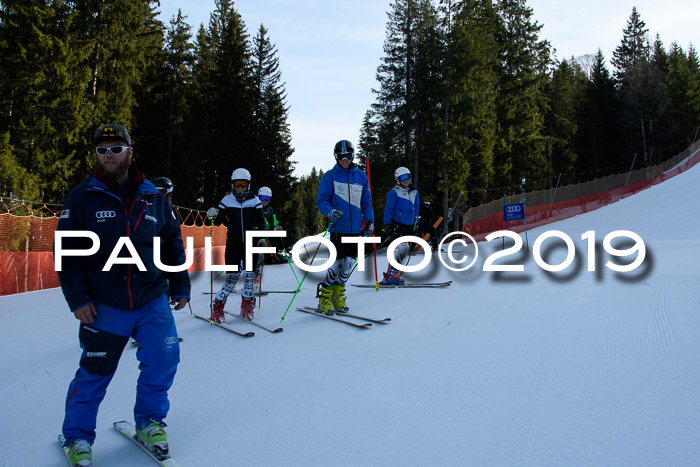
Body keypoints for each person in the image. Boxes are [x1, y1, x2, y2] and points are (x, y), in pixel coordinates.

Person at [56, 124, 191, 465]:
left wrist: (180, 286)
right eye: (102, 149)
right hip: (105, 304)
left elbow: (172, 244)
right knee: (95, 372)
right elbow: (67, 252)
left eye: (116, 148)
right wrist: (78, 298)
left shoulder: (154, 197)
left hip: (152, 300)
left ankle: (150, 423)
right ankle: (77, 438)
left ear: (130, 152)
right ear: (96, 156)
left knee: (163, 361)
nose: (109, 155)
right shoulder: (82, 196)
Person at [316, 140, 374, 314]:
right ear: (335, 157)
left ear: (353, 156)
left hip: (355, 229)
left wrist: (369, 221)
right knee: (338, 264)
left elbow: (366, 203)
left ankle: (338, 295)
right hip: (337, 228)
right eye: (341, 156)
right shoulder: (329, 176)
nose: (345, 159)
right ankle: (324, 298)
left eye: (348, 156)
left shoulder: (361, 177)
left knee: (349, 264)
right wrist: (330, 211)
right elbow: (322, 201)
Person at [206, 168, 265, 322]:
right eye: (237, 184)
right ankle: (218, 306)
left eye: (243, 184)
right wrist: (212, 214)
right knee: (232, 277)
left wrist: (262, 238)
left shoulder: (254, 201)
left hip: (250, 242)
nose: (240, 187)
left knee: (249, 276)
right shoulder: (227, 200)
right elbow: (217, 221)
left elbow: (261, 223)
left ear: (248, 184)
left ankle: (246, 305)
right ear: (233, 184)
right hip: (233, 242)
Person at [382, 167, 419, 285]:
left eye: (407, 177)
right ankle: (393, 275)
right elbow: (388, 209)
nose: (406, 180)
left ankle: (390, 275)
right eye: (402, 178)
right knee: (403, 249)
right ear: (397, 180)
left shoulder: (414, 192)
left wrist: (416, 222)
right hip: (398, 225)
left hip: (409, 225)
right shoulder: (394, 192)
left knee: (404, 250)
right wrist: (388, 225)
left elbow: (416, 207)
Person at [253, 186, 284, 291]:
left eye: (268, 199)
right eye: (263, 198)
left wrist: (276, 227)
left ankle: (256, 281)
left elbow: (272, 222)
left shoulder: (270, 210)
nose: (265, 201)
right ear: (258, 197)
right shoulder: (253, 206)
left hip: (263, 236)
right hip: (252, 235)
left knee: (259, 257)